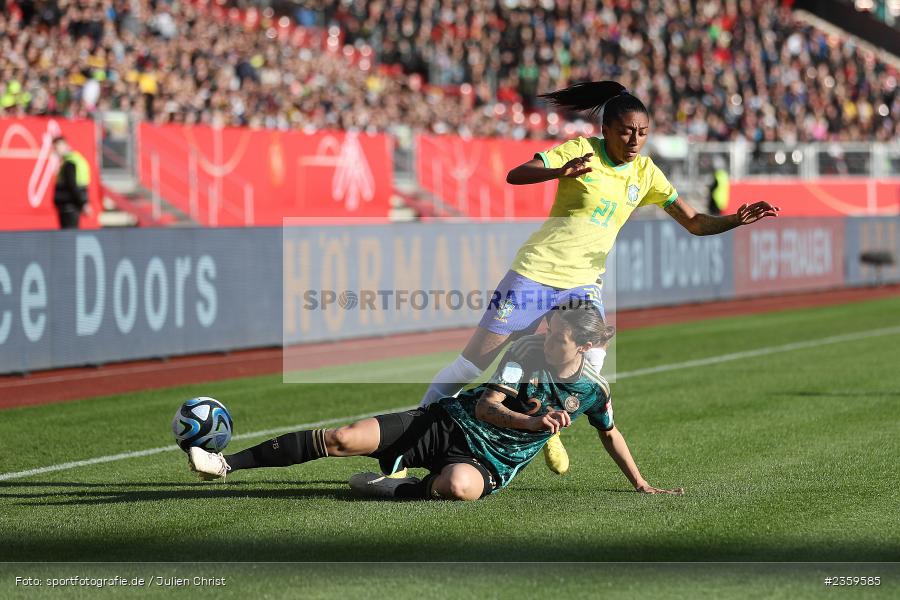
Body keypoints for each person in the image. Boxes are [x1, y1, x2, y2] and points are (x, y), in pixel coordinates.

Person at [413, 81, 780, 476]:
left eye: (642, 132)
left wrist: (735, 220)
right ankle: (412, 437)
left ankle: (543, 417)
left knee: (593, 360)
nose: (635, 140)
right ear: (605, 130)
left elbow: (693, 221)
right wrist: (559, 170)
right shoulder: (581, 150)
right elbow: (516, 175)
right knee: (470, 367)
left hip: (583, 283)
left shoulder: (646, 173)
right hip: (536, 272)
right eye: (626, 131)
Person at [186, 301, 684, 500]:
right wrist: (533, 426)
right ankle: (224, 463)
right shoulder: (526, 352)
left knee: (458, 488)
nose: (547, 339)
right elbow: (487, 406)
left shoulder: (592, 391)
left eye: (558, 338)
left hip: (490, 463)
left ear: (584, 345)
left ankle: (390, 489)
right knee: (342, 438)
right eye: (550, 331)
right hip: (449, 423)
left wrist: (641, 483)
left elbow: (610, 433)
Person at [52, 136, 92, 229]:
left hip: (69, 206)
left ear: (65, 145)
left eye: (57, 147)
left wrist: (83, 203)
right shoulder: (73, 159)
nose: (55, 150)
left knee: (69, 233)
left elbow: (72, 185)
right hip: (71, 205)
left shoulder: (69, 162)